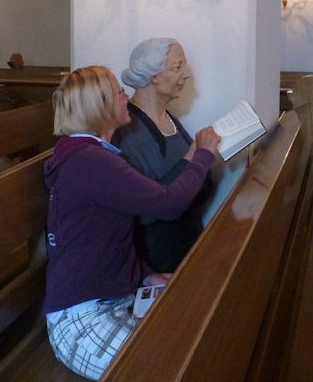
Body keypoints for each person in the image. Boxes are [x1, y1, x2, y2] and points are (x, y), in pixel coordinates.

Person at [44, 65, 220, 380]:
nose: (126, 96)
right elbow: (168, 205)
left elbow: (106, 240)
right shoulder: (91, 161)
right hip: (81, 318)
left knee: (199, 336)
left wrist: (146, 276)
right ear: (99, 105)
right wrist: (202, 156)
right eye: (118, 92)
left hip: (116, 297)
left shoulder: (95, 156)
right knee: (167, 371)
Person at [112, 38, 211, 272]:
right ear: (153, 75)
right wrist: (196, 156)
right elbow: (147, 209)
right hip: (160, 260)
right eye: (177, 67)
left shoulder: (168, 118)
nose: (186, 75)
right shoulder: (128, 130)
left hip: (189, 245)